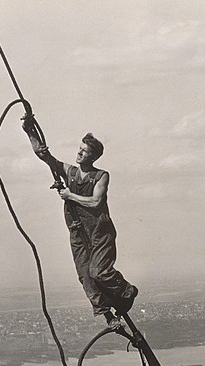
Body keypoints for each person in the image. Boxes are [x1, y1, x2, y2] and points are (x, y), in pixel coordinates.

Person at [22, 116, 138, 327]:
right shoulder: (70, 172)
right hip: (77, 231)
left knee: (99, 272)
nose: (79, 152)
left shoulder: (101, 176)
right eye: (79, 148)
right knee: (86, 276)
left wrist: (70, 196)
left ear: (93, 156)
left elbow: (95, 202)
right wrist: (29, 131)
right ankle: (108, 317)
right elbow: (45, 156)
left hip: (99, 232)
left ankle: (126, 291)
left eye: (84, 151)